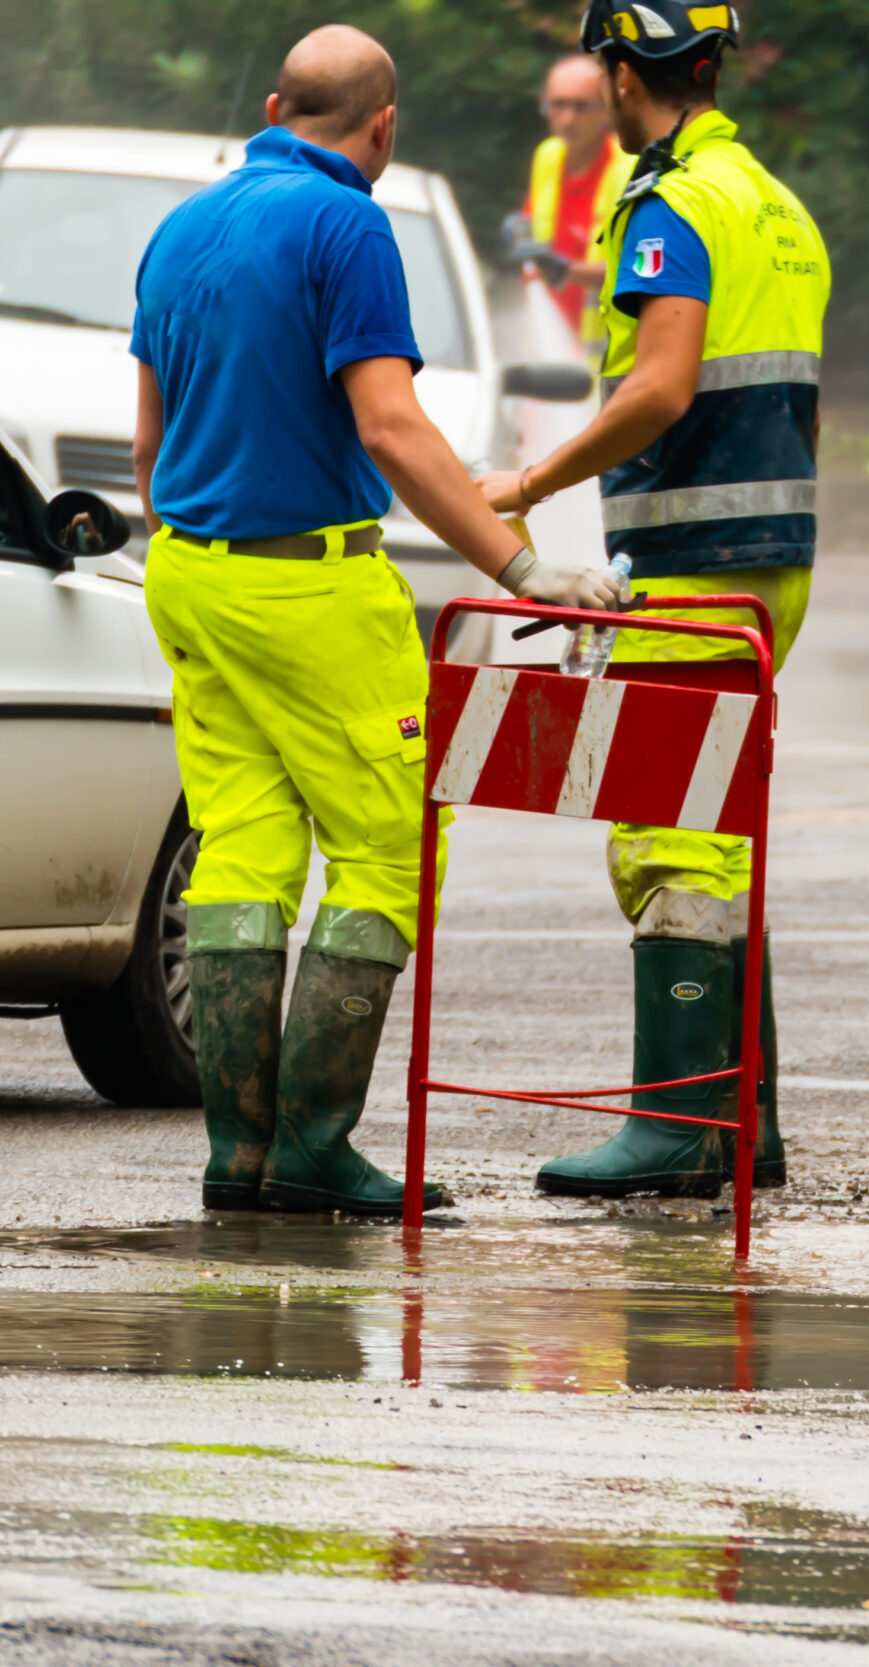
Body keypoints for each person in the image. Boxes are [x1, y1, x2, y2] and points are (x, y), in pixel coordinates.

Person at [133, 25, 626, 1216]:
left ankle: (236, 1155)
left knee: (244, 849)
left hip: (190, 575)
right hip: (314, 585)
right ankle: (312, 1147)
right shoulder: (352, 224)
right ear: (382, 129)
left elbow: (150, 451)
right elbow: (392, 427)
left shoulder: (180, 228)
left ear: (271, 105)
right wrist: (524, 568)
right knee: (390, 842)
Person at [480, 0, 829, 1200]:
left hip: (691, 551)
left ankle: (678, 1124)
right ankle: (746, 1121)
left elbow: (664, 384)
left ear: (629, 71)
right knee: (721, 819)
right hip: (770, 555)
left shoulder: (670, 202)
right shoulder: (776, 206)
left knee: (668, 824)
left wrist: (525, 482)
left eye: (606, 70)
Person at [524, 53, 634, 337]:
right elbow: (533, 222)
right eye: (557, 105)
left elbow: (639, 269)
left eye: (581, 107)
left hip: (602, 355)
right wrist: (517, 231)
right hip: (546, 336)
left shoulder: (630, 170)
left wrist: (566, 271)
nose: (567, 119)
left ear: (607, 109)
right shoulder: (548, 154)